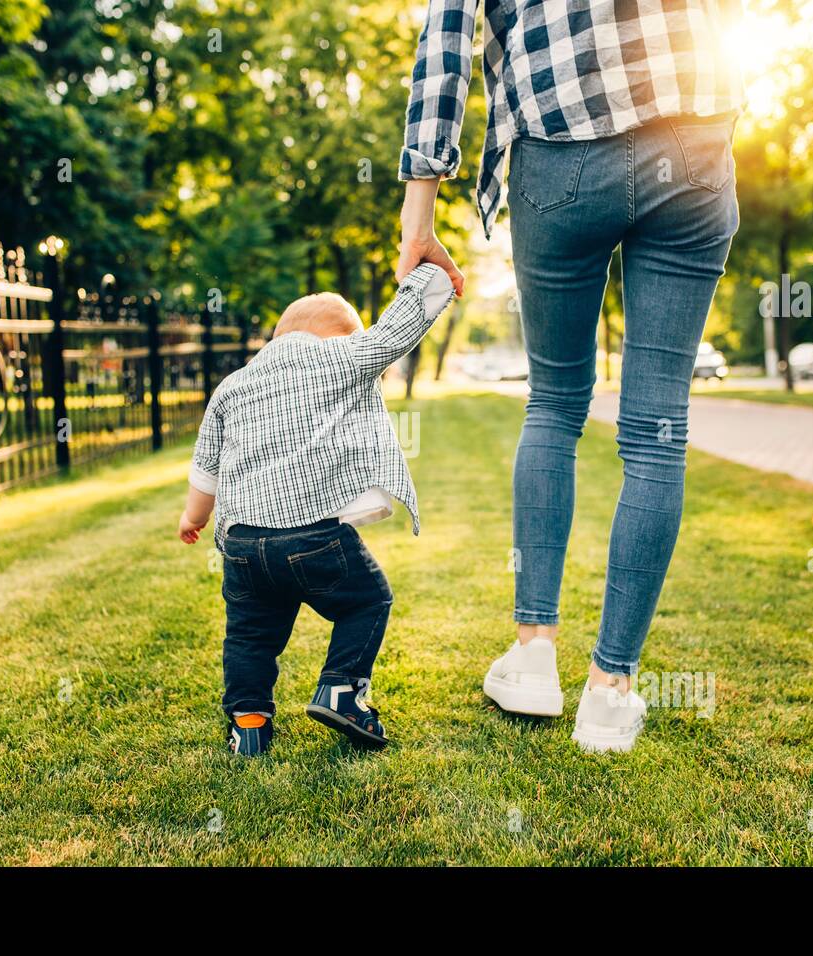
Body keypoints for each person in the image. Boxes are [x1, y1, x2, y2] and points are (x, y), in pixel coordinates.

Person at [397, 0, 743, 752]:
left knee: (554, 405)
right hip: (691, 131)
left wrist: (418, 217)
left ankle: (532, 657)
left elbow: (446, 43)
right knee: (659, 428)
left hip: (559, 145)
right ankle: (611, 695)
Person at [178, 265, 454, 755]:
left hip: (243, 547)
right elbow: (394, 334)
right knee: (368, 600)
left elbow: (206, 470)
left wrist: (193, 519)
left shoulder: (232, 385)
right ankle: (342, 689)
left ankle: (250, 726)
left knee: (249, 637)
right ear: (337, 336)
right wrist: (430, 281)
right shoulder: (337, 356)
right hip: (313, 537)